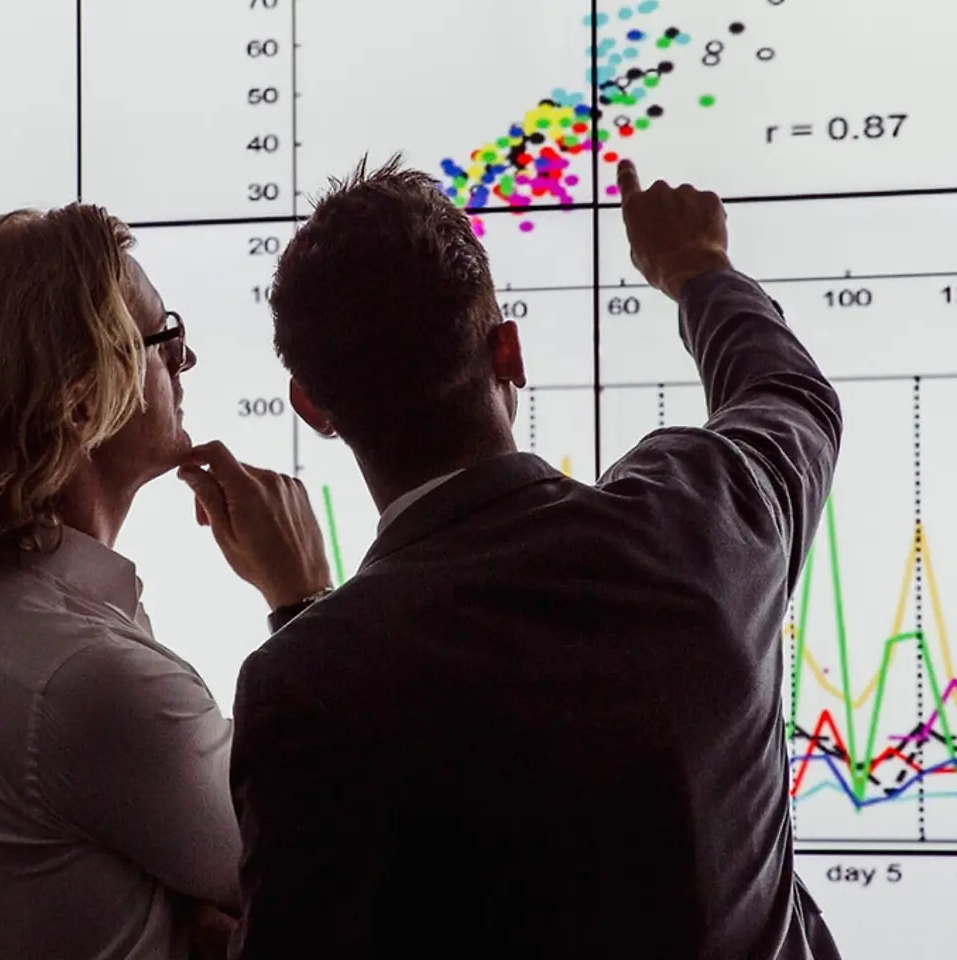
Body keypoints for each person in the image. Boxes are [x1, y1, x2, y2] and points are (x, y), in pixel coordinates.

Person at [179, 155, 846, 958]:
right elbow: (789, 397)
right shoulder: (702, 516)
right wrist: (698, 271)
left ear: (313, 407)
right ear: (508, 354)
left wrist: (302, 617)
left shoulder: (307, 681)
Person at [0, 205, 329, 960]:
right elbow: (336, 874)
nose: (187, 361)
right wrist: (304, 601)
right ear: (81, 399)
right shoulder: (89, 678)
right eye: (163, 339)